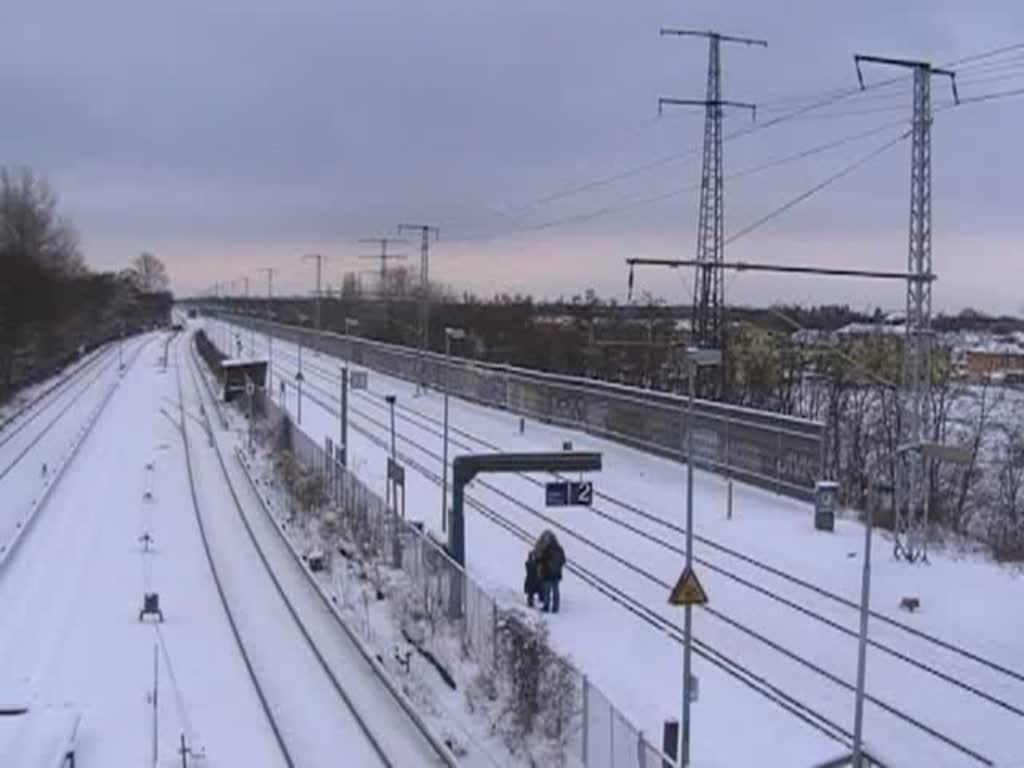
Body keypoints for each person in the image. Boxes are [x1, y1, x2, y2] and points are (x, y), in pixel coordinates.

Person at [533, 529, 566, 613]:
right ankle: (555, 607)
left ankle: (546, 607)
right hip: (557, 574)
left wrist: (537, 560)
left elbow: (540, 559)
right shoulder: (559, 548)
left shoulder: (546, 549)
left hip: (547, 573)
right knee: (556, 591)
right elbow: (563, 560)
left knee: (547, 591)